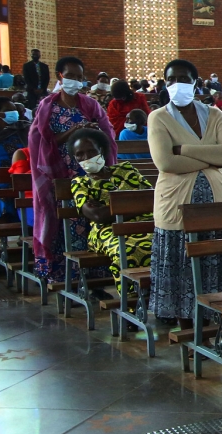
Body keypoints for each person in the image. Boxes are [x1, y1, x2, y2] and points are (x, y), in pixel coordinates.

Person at [146, 59, 222, 327]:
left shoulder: (215, 115)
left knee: (213, 258)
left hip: (215, 204)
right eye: (171, 80)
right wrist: (212, 158)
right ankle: (186, 323)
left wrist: (184, 149)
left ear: (196, 83)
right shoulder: (158, 117)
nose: (177, 84)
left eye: (184, 79)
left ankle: (213, 316)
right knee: (180, 260)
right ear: (165, 84)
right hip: (175, 204)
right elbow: (166, 163)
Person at [28, 56, 118, 283]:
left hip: (89, 173)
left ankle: (96, 277)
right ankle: (65, 276)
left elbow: (108, 136)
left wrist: (94, 130)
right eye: (70, 76)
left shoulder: (90, 104)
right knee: (65, 224)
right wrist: (74, 131)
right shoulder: (48, 106)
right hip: (60, 175)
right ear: (60, 75)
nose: (75, 81)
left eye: (79, 77)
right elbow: (42, 142)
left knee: (92, 220)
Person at [68, 128, 152, 292]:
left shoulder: (126, 170)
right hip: (107, 231)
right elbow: (97, 216)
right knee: (128, 251)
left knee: (166, 244)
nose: (86, 158)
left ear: (102, 150)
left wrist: (112, 209)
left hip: (146, 224)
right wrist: (136, 205)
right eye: (80, 154)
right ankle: (133, 302)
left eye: (92, 151)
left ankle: (162, 299)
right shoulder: (80, 183)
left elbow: (151, 199)